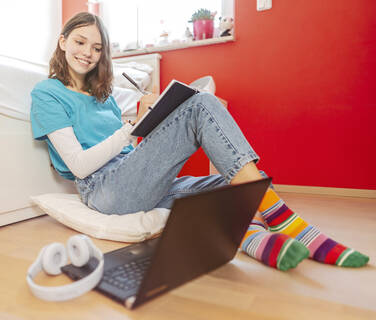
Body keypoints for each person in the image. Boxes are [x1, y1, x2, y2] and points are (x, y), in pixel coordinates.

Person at [30, 12, 369, 271]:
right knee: (201, 104)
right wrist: (131, 129)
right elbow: (78, 165)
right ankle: (282, 217)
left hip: (128, 178)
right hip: (100, 190)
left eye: (96, 47)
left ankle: (252, 239)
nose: (88, 52)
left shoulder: (102, 96)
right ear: (62, 42)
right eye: (79, 42)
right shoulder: (47, 94)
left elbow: (125, 152)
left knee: (233, 184)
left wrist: (148, 131)